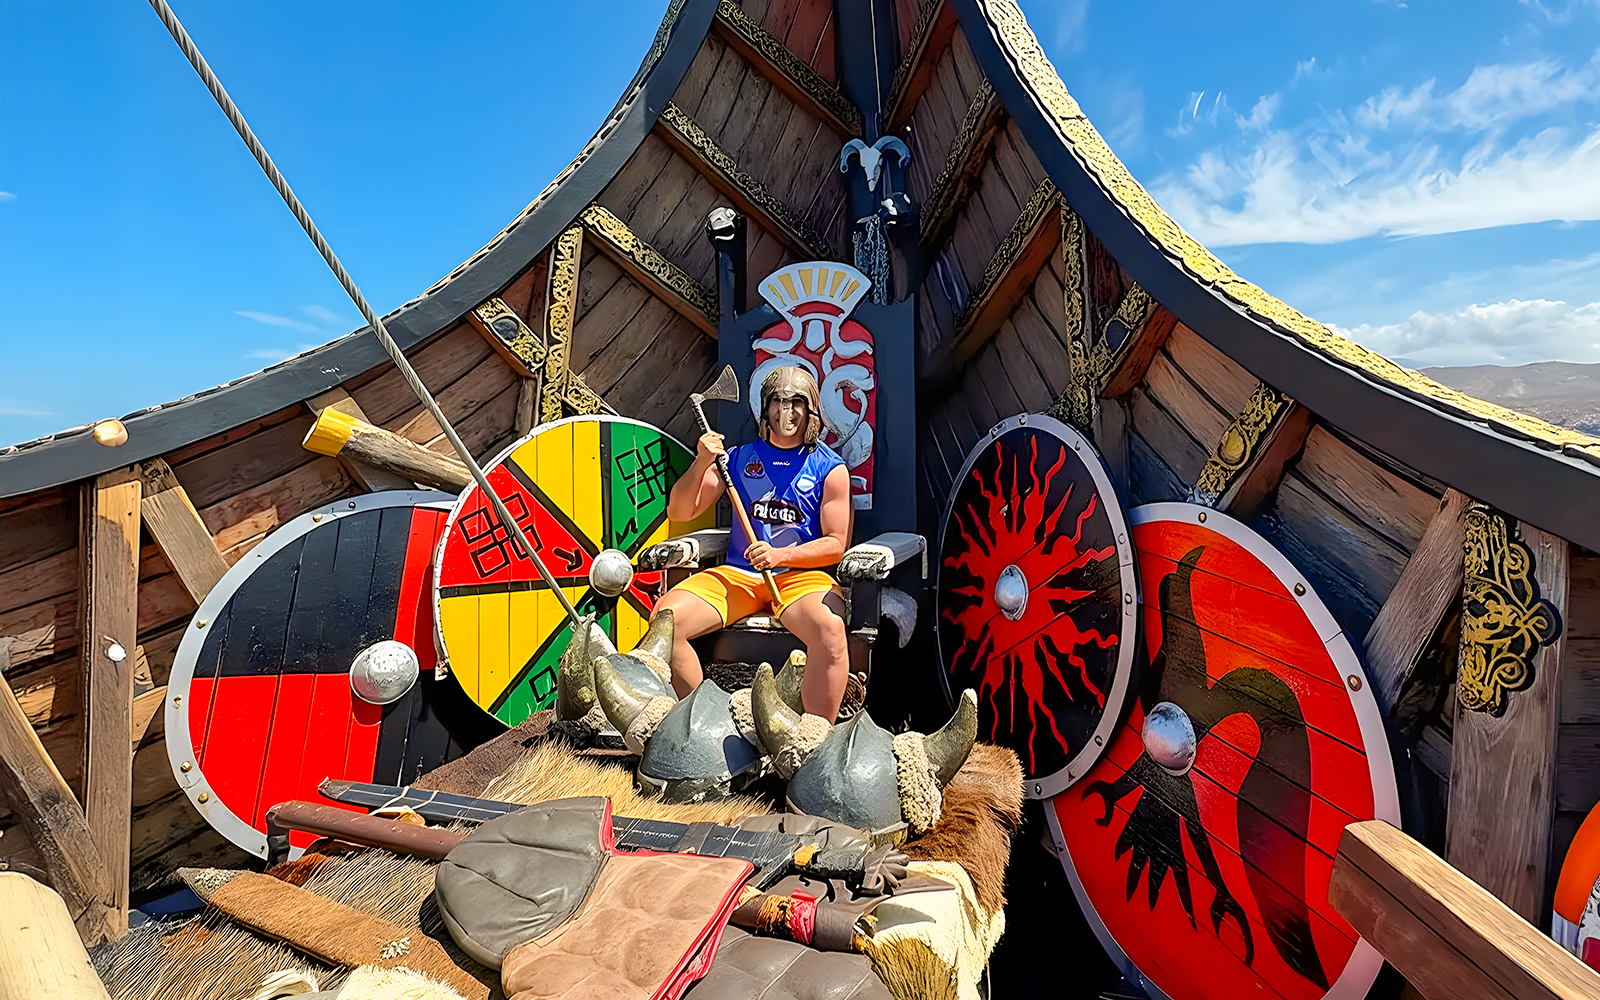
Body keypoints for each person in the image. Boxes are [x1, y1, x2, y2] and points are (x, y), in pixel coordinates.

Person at [659, 366, 853, 721]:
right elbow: (680, 511)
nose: (787, 412)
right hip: (739, 576)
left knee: (830, 629)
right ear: (765, 408)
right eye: (778, 402)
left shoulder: (830, 468)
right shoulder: (736, 459)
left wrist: (781, 555)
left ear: (811, 410)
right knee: (667, 621)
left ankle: (815, 735)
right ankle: (700, 724)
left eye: (796, 402)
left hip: (800, 579)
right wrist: (702, 462)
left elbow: (836, 544)